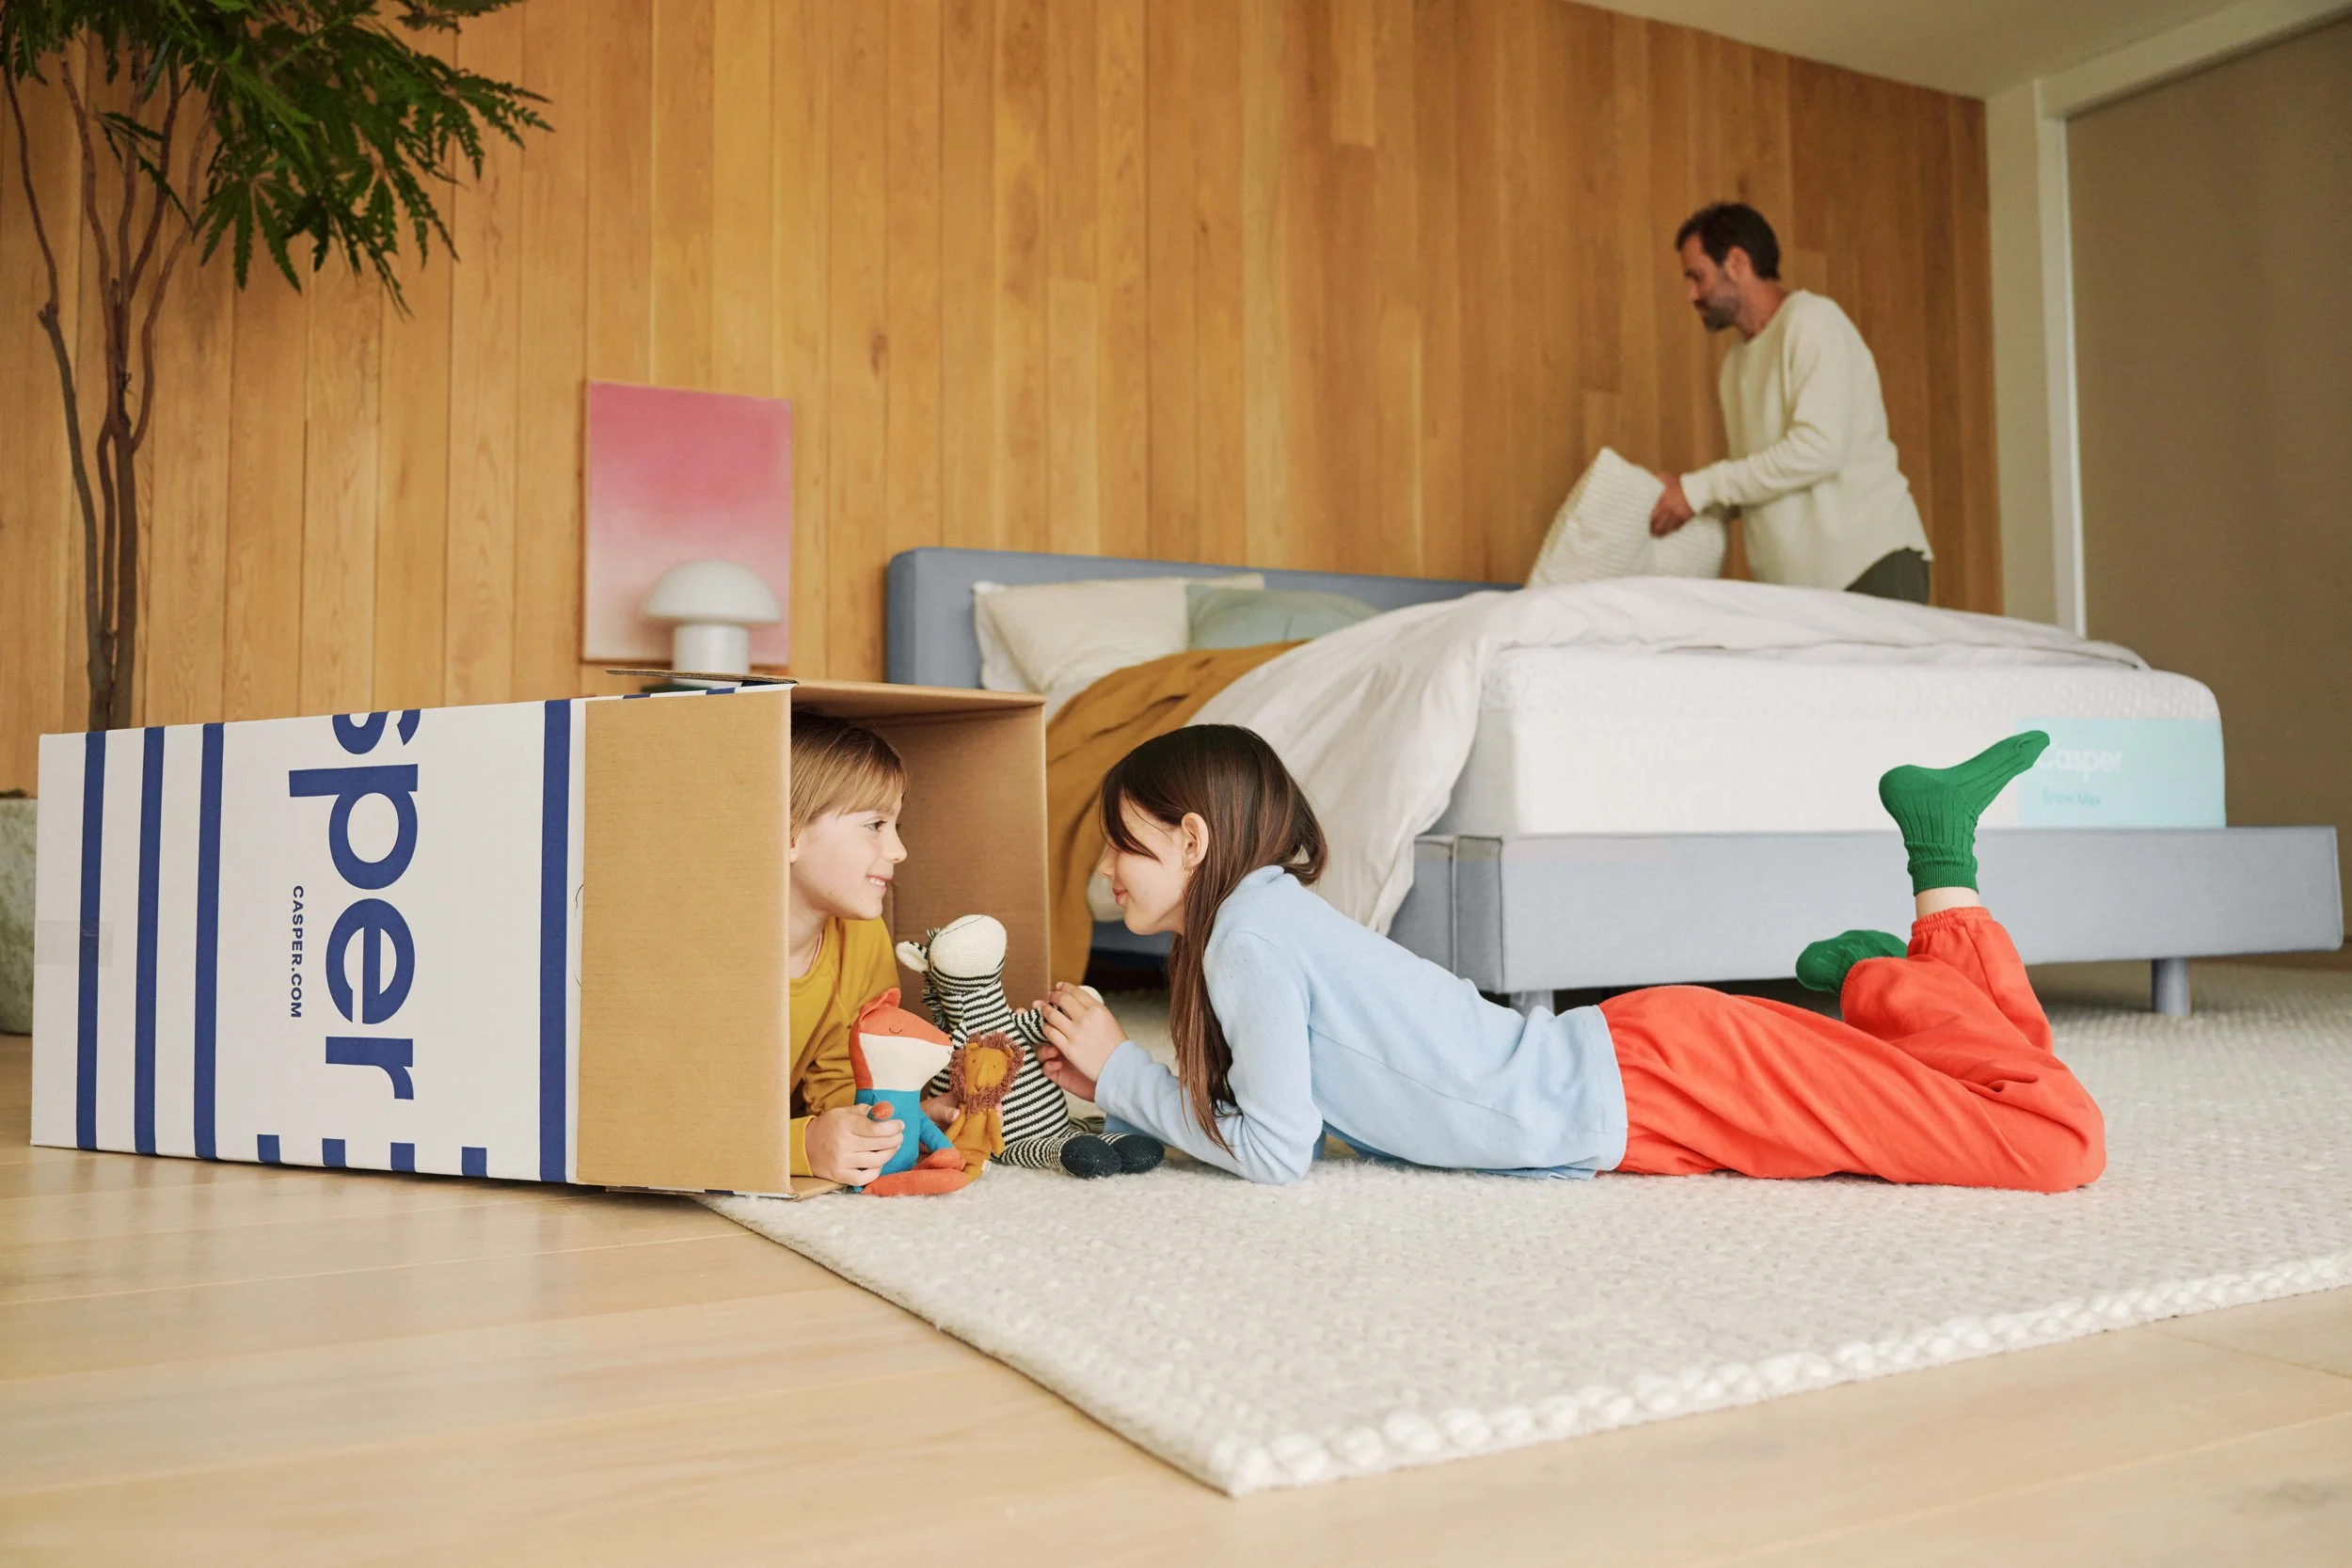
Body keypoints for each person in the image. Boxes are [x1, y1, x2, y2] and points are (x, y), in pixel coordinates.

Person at [1030, 725, 2105, 1195]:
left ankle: (1894, 969)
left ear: (1191, 840)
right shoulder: (1256, 926)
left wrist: (1125, 1075)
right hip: (1649, 1083)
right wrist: (1126, 1094)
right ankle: (1918, 928)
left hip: (1663, 1079)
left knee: (2052, 1141)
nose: (1107, 870)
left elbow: (1275, 1148)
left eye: (1123, 842)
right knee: (1995, 1093)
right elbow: (1278, 1112)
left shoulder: (1249, 939)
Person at [1649, 201, 1936, 605]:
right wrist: (1683, 498)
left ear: (1736, 262)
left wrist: (1698, 489)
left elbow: (1818, 450)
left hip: (1866, 566)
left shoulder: (1812, 321)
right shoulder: (1734, 367)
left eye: (1696, 277)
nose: (1689, 295)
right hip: (1796, 595)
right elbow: (1764, 479)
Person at [785, 712, 929, 1188]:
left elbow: (841, 1083)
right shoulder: (708, 948)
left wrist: (893, 1123)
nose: (899, 850)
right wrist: (797, 1147)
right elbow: (671, 1114)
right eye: (875, 825)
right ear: (788, 833)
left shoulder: (861, 937)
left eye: (896, 824)